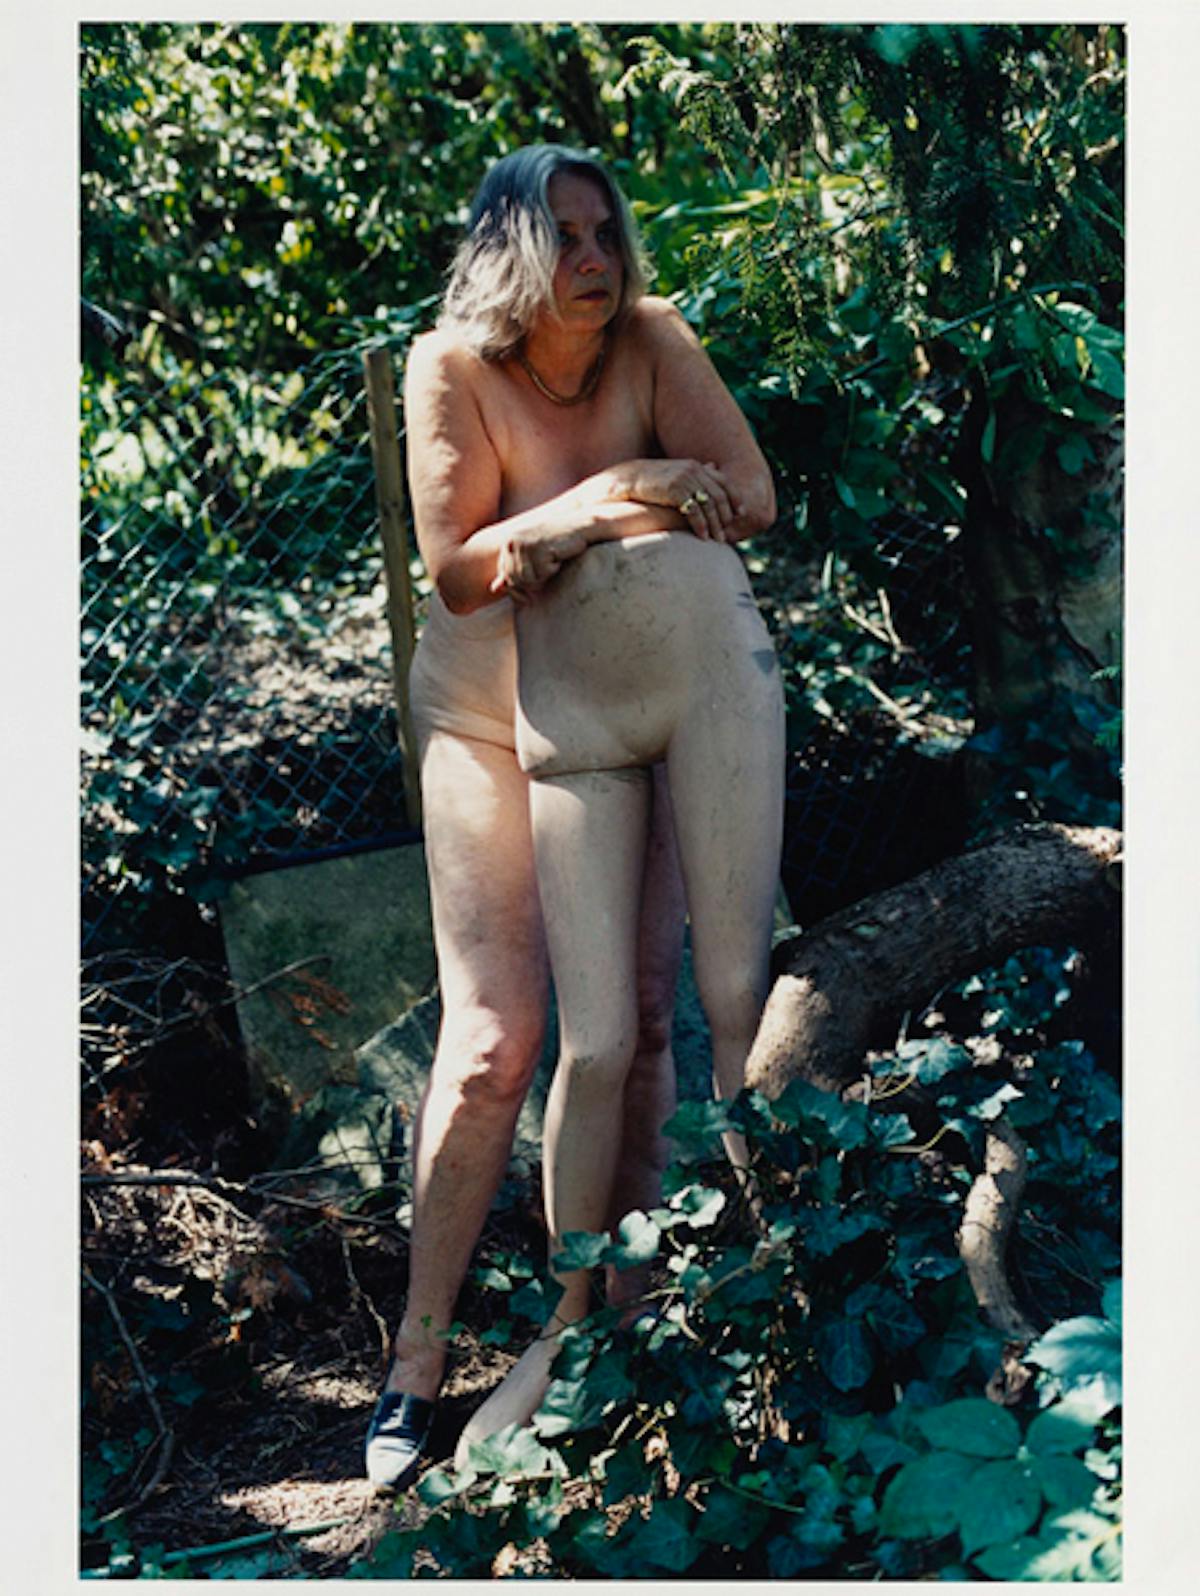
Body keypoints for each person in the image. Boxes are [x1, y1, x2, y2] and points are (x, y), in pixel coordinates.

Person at [365, 143, 782, 1490]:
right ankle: (417, 1359)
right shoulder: (447, 366)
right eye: (564, 238)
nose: (595, 261)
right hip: (489, 724)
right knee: (497, 1042)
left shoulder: (653, 338)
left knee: (642, 1023)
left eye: (606, 234)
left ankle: (628, 1321)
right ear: (508, 252)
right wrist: (622, 492)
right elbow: (461, 572)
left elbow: (749, 496)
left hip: (618, 711)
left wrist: (596, 518)